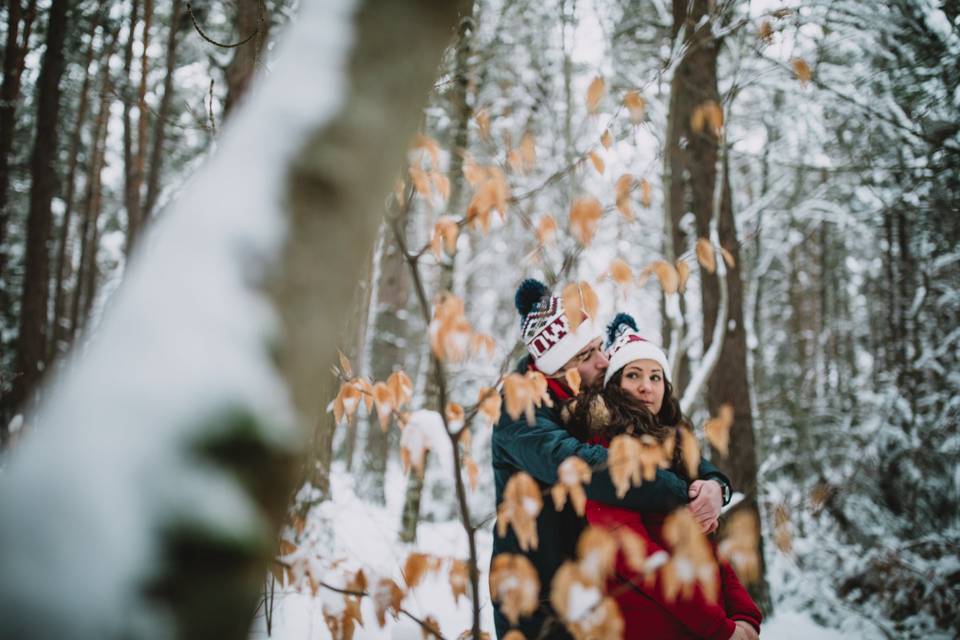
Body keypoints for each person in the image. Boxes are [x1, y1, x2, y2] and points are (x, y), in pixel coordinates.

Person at [490, 280, 733, 639]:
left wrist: (713, 484)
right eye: (586, 356)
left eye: (600, 348)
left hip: (597, 599)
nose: (603, 361)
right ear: (557, 369)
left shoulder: (589, 393)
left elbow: (664, 437)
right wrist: (682, 493)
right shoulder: (520, 413)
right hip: (537, 604)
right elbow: (590, 467)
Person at [563, 313, 762, 639]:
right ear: (615, 385)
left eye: (656, 377)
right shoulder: (602, 447)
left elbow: (705, 544)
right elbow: (635, 558)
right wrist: (721, 628)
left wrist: (744, 613)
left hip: (701, 623)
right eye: (633, 375)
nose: (646, 386)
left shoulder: (675, 449)